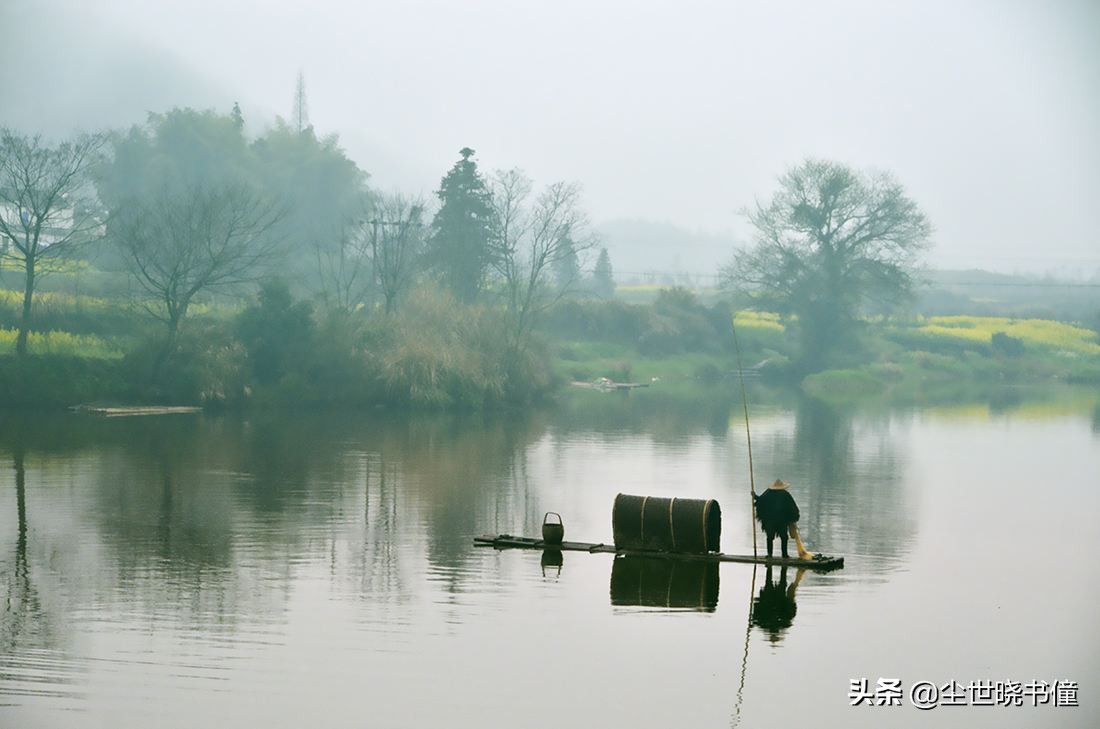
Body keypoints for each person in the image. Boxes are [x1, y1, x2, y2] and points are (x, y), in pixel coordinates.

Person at [753, 479, 814, 560]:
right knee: (784, 537)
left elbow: (761, 500)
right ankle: (784, 555)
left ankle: (770, 555)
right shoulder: (785, 494)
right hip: (781, 520)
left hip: (771, 520)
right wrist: (794, 517)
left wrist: (754, 496)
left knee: (770, 537)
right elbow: (793, 507)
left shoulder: (768, 493)